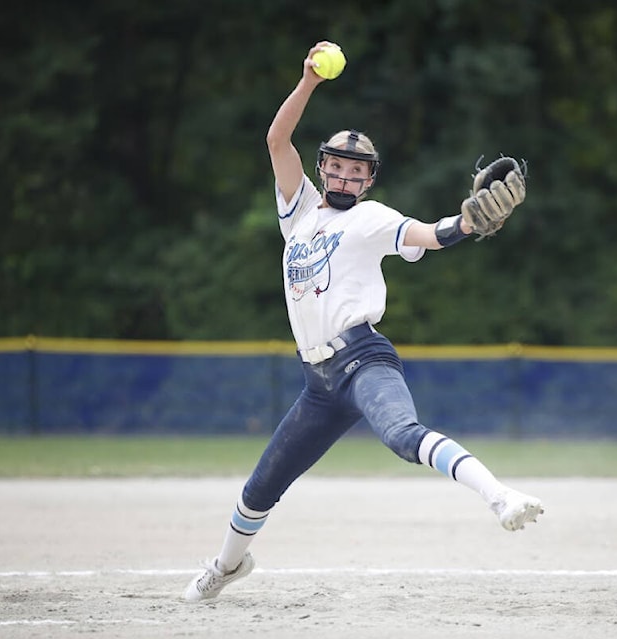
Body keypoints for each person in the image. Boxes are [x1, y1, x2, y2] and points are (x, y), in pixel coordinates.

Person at [183, 42, 543, 603]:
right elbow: (277, 140)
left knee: (402, 435)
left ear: (368, 181)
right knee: (262, 487)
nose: (346, 178)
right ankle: (225, 568)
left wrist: (468, 224)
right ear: (322, 168)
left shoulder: (375, 219)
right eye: (338, 167)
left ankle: (500, 497)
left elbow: (431, 233)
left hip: (362, 359)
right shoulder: (299, 213)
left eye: (357, 172)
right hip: (317, 384)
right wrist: (307, 81)